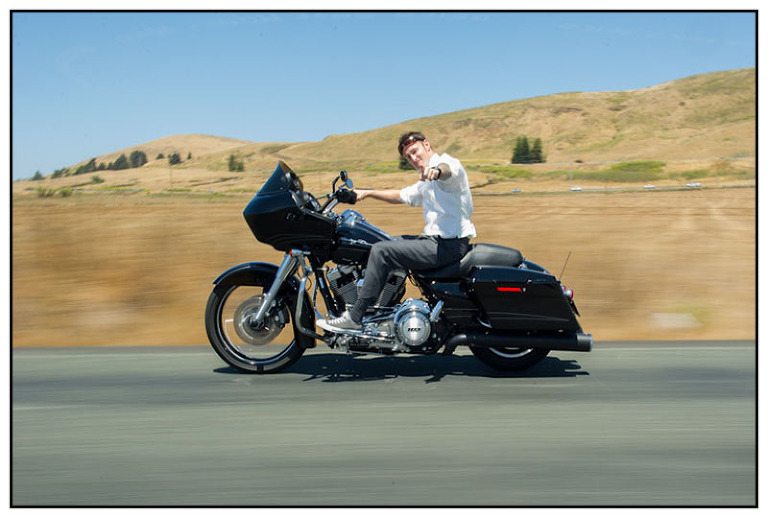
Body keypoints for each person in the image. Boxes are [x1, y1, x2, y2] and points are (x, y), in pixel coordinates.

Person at [318, 131, 476, 331]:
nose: (413, 158)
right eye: (408, 156)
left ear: (427, 145)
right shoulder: (425, 183)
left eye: (414, 151)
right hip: (436, 241)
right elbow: (403, 195)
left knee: (381, 251)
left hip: (448, 245)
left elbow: (448, 171)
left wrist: (436, 171)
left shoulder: (447, 165)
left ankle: (356, 317)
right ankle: (383, 309)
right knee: (381, 242)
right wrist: (367, 193)